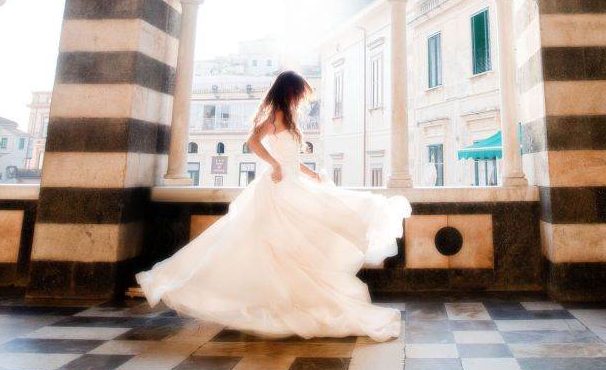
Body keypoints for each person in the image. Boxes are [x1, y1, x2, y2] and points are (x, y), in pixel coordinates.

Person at [137, 70, 411, 341]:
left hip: (293, 183)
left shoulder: (288, 117)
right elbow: (253, 142)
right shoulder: (276, 115)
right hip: (279, 188)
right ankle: (274, 300)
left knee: (303, 239)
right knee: (278, 244)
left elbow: (291, 158)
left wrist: (311, 174)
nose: (300, 99)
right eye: (299, 93)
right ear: (289, 91)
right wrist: (275, 164)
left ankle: (293, 299)